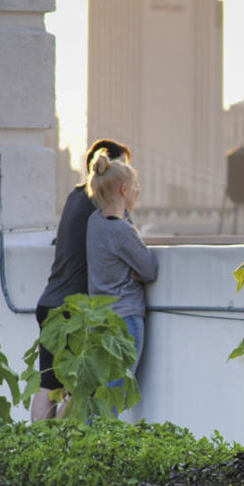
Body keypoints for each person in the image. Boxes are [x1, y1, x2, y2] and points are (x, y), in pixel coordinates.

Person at [30, 139, 132, 421]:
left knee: (48, 385)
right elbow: (128, 243)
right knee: (81, 387)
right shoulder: (104, 201)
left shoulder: (75, 195)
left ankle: (39, 447)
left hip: (49, 302)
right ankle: (61, 447)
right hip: (73, 309)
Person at [85, 149, 158, 399]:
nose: (138, 190)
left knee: (97, 399)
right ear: (124, 190)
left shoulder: (94, 222)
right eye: (134, 186)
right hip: (125, 321)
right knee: (113, 401)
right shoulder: (122, 232)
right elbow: (149, 270)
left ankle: (80, 438)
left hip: (99, 322)